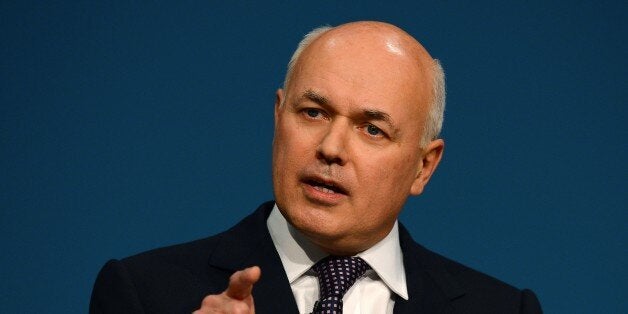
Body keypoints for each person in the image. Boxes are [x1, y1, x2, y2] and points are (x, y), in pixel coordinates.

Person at [90, 21, 542, 313]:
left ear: (424, 167)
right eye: (313, 113)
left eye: (371, 130)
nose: (331, 147)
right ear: (278, 117)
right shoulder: (145, 294)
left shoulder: (502, 309)